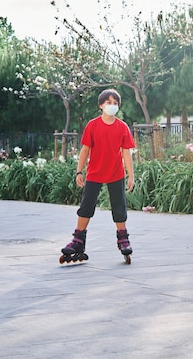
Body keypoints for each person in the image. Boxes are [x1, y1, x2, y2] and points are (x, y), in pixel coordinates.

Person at [61, 88, 136, 263]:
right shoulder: (93, 125)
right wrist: (79, 171)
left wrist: (131, 175)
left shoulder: (122, 127)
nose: (112, 106)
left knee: (119, 207)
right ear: (101, 105)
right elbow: (85, 150)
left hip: (116, 173)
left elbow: (126, 153)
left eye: (115, 103)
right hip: (94, 172)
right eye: (108, 102)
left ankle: (123, 239)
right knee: (86, 206)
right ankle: (78, 240)